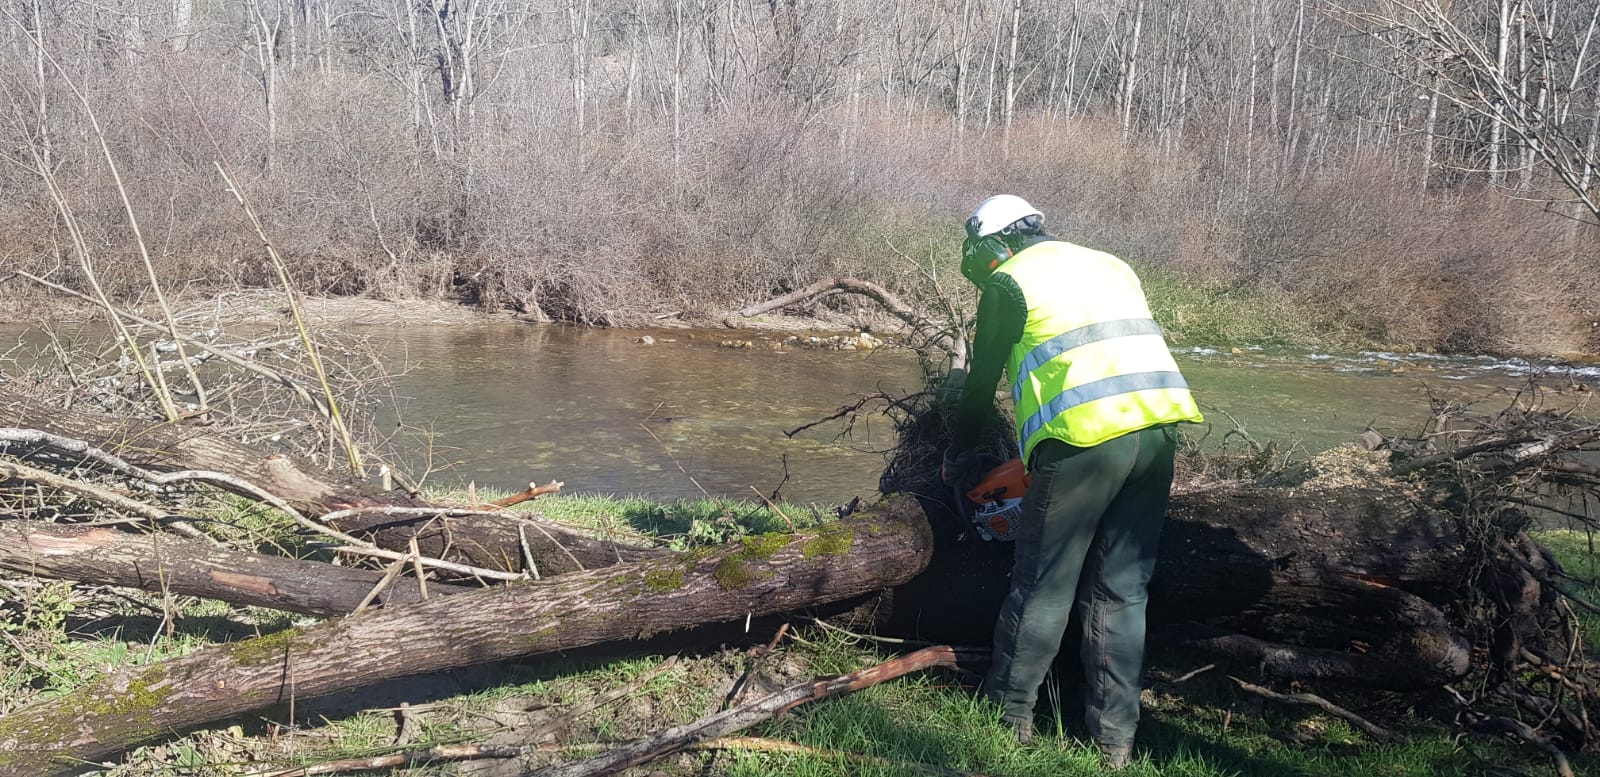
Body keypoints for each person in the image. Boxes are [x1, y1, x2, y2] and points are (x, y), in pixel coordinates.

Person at [942, 194, 1203, 769]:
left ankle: (1007, 719)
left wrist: (958, 453)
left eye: (980, 255)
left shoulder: (1010, 282)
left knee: (1043, 584)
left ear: (997, 243)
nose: (981, 267)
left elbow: (983, 378)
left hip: (1085, 439)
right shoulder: (1109, 263)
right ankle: (1115, 742)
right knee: (1122, 592)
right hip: (1157, 432)